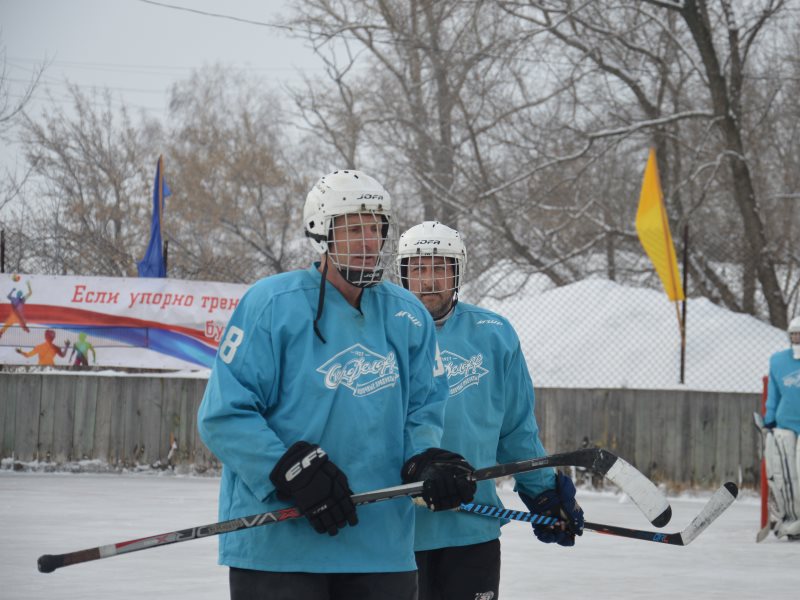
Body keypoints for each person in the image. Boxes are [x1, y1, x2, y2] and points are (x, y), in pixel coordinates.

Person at [198, 171, 476, 600]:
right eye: (353, 229)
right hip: (280, 546)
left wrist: (424, 462)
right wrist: (286, 468)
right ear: (322, 233)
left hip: (380, 547)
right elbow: (224, 414)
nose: (368, 241)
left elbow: (423, 411)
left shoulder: (408, 316)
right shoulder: (270, 304)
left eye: (376, 228)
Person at [396, 221, 584, 599]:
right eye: (418, 268)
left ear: (457, 272)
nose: (428, 280)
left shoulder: (493, 334)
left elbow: (516, 428)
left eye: (439, 268)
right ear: (402, 274)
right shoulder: (383, 332)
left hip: (473, 526)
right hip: (394, 532)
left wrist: (543, 493)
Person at [764, 316, 800, 540]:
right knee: (784, 475)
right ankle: (790, 520)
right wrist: (769, 419)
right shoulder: (778, 361)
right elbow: (774, 394)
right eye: (794, 334)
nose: (797, 338)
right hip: (785, 424)